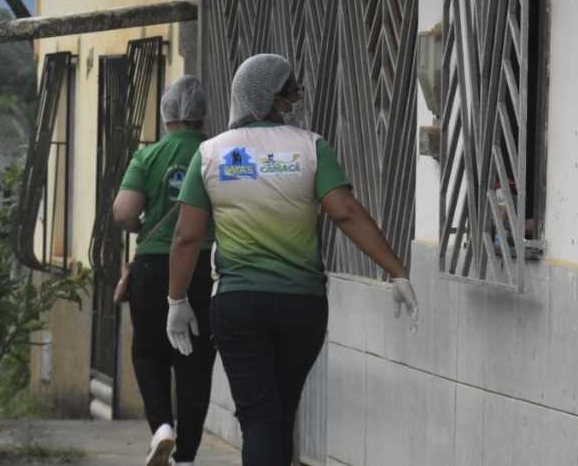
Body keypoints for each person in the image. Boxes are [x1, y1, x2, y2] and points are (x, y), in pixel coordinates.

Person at [166, 54, 419, 466]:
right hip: (302, 305)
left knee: (260, 417)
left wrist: (176, 300)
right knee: (280, 413)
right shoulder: (311, 147)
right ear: (271, 97)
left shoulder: (210, 154)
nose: (295, 100)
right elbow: (345, 213)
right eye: (291, 92)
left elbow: (187, 235)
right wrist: (397, 271)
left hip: (238, 305)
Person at [112, 75, 215, 466]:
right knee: (196, 360)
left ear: (166, 112)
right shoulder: (217, 153)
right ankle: (186, 455)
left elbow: (123, 212)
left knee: (149, 352)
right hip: (205, 266)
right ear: (203, 113)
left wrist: (141, 226)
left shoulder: (148, 156)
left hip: (154, 265)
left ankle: (161, 428)